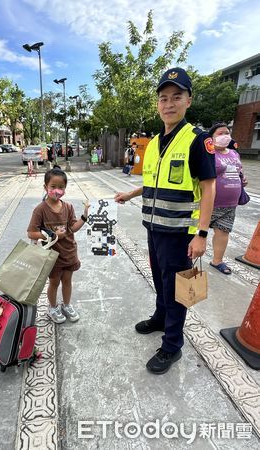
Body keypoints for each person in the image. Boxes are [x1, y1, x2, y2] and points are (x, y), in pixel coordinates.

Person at [115, 67, 216, 374]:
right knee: (160, 281)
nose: (169, 103)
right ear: (157, 104)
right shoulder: (156, 140)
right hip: (154, 228)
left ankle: (172, 346)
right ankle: (160, 319)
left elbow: (210, 187)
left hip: (180, 233)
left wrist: (201, 234)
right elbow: (155, 182)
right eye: (163, 98)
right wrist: (131, 194)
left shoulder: (197, 140)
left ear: (188, 100)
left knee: (178, 290)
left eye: (176, 97)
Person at [27, 166, 89, 323]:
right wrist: (51, 235)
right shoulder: (40, 210)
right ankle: (52, 308)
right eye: (53, 187)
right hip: (52, 256)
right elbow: (31, 233)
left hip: (69, 252)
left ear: (65, 189)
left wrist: (85, 216)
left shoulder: (68, 207)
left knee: (67, 281)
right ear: (45, 187)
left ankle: (66, 305)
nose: (57, 190)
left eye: (61, 187)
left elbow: (72, 227)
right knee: (54, 282)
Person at [208, 123, 247, 275]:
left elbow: (239, 171)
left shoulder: (234, 154)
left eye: (228, 132)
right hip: (209, 203)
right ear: (211, 137)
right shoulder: (208, 153)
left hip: (230, 203)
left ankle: (217, 261)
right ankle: (186, 259)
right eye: (221, 133)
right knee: (195, 233)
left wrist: (243, 180)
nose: (226, 136)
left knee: (223, 232)